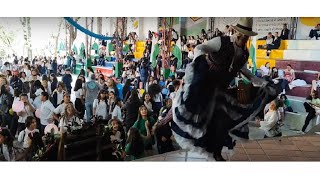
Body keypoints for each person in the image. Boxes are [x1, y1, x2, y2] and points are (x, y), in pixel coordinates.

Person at [170, 17, 278, 161]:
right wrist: (199, 63)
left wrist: (261, 82)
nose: (243, 37)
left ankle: (216, 152)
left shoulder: (244, 53)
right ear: (236, 32)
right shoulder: (221, 41)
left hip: (221, 92)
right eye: (242, 34)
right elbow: (199, 48)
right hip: (204, 86)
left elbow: (245, 71)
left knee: (221, 123)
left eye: (246, 36)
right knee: (195, 115)